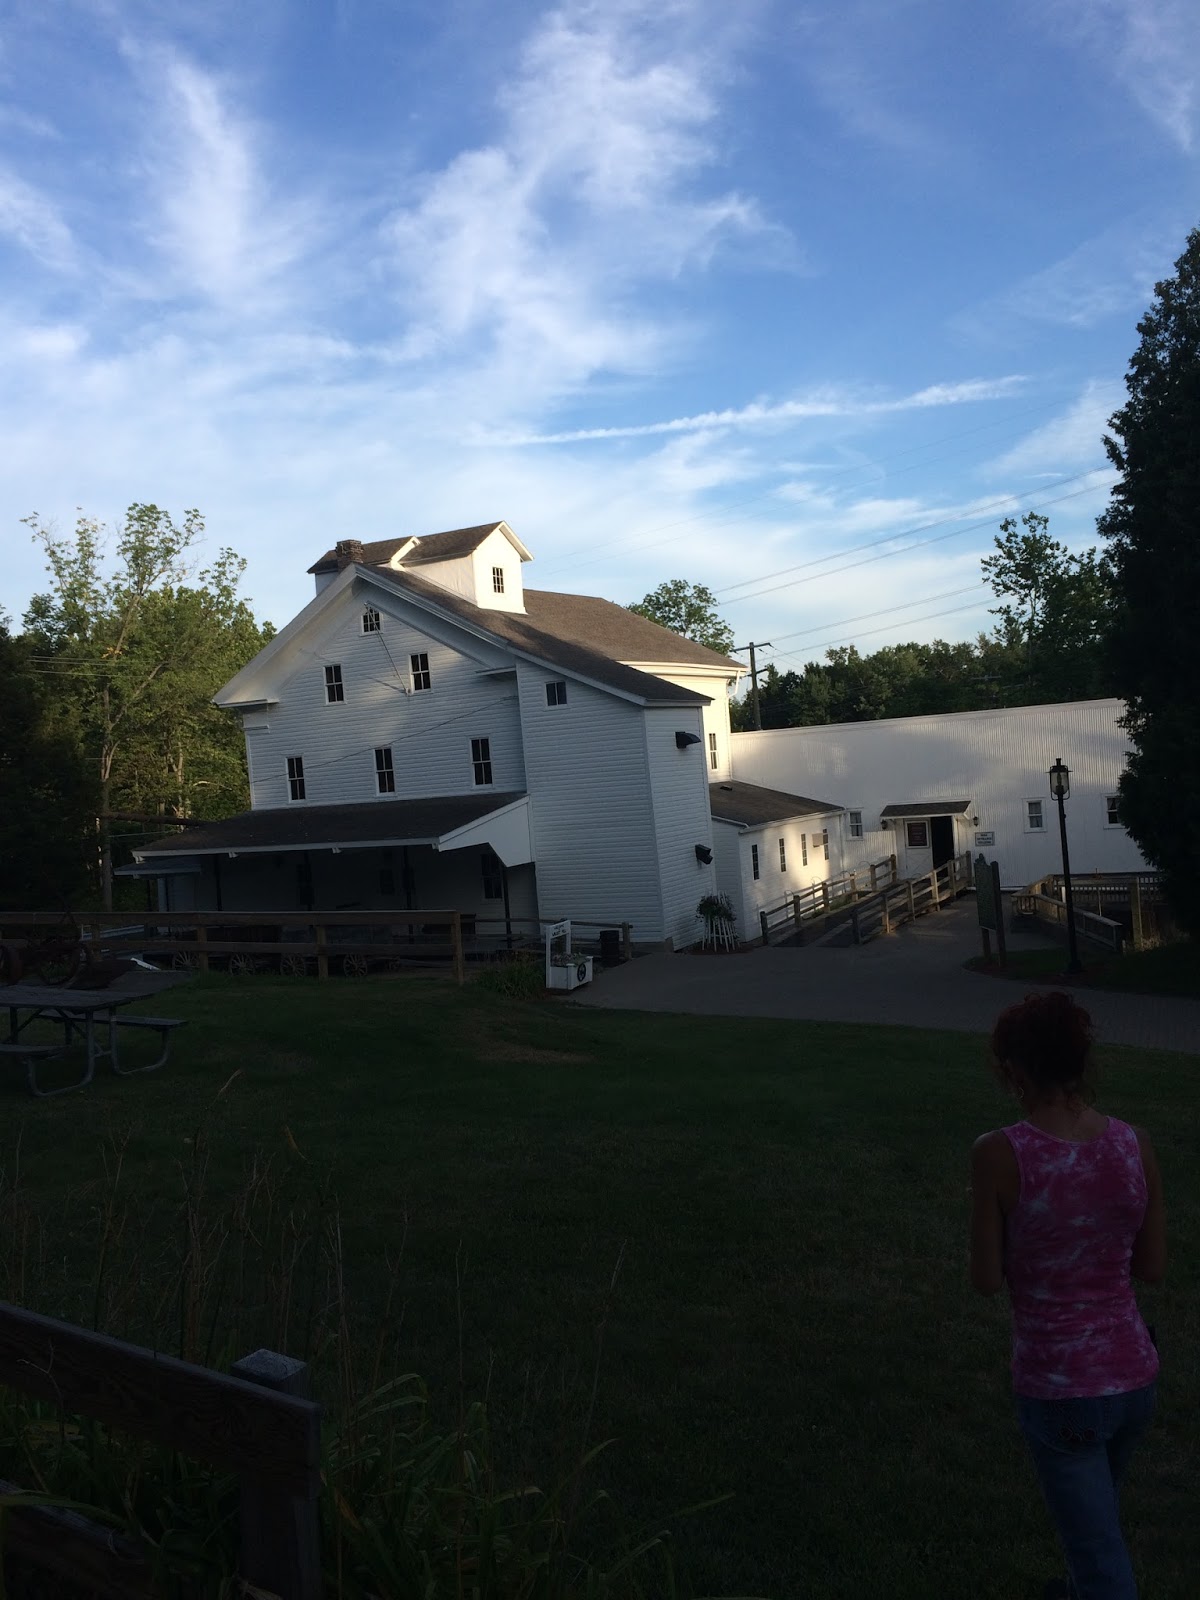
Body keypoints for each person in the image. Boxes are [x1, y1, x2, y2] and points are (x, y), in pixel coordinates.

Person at [969, 990, 1166, 1600]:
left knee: (1100, 1556)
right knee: (1095, 1527)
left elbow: (986, 1279)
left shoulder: (998, 1153)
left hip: (1060, 1389)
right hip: (1134, 1379)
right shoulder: (1135, 1143)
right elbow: (1152, 1267)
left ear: (1015, 1072)